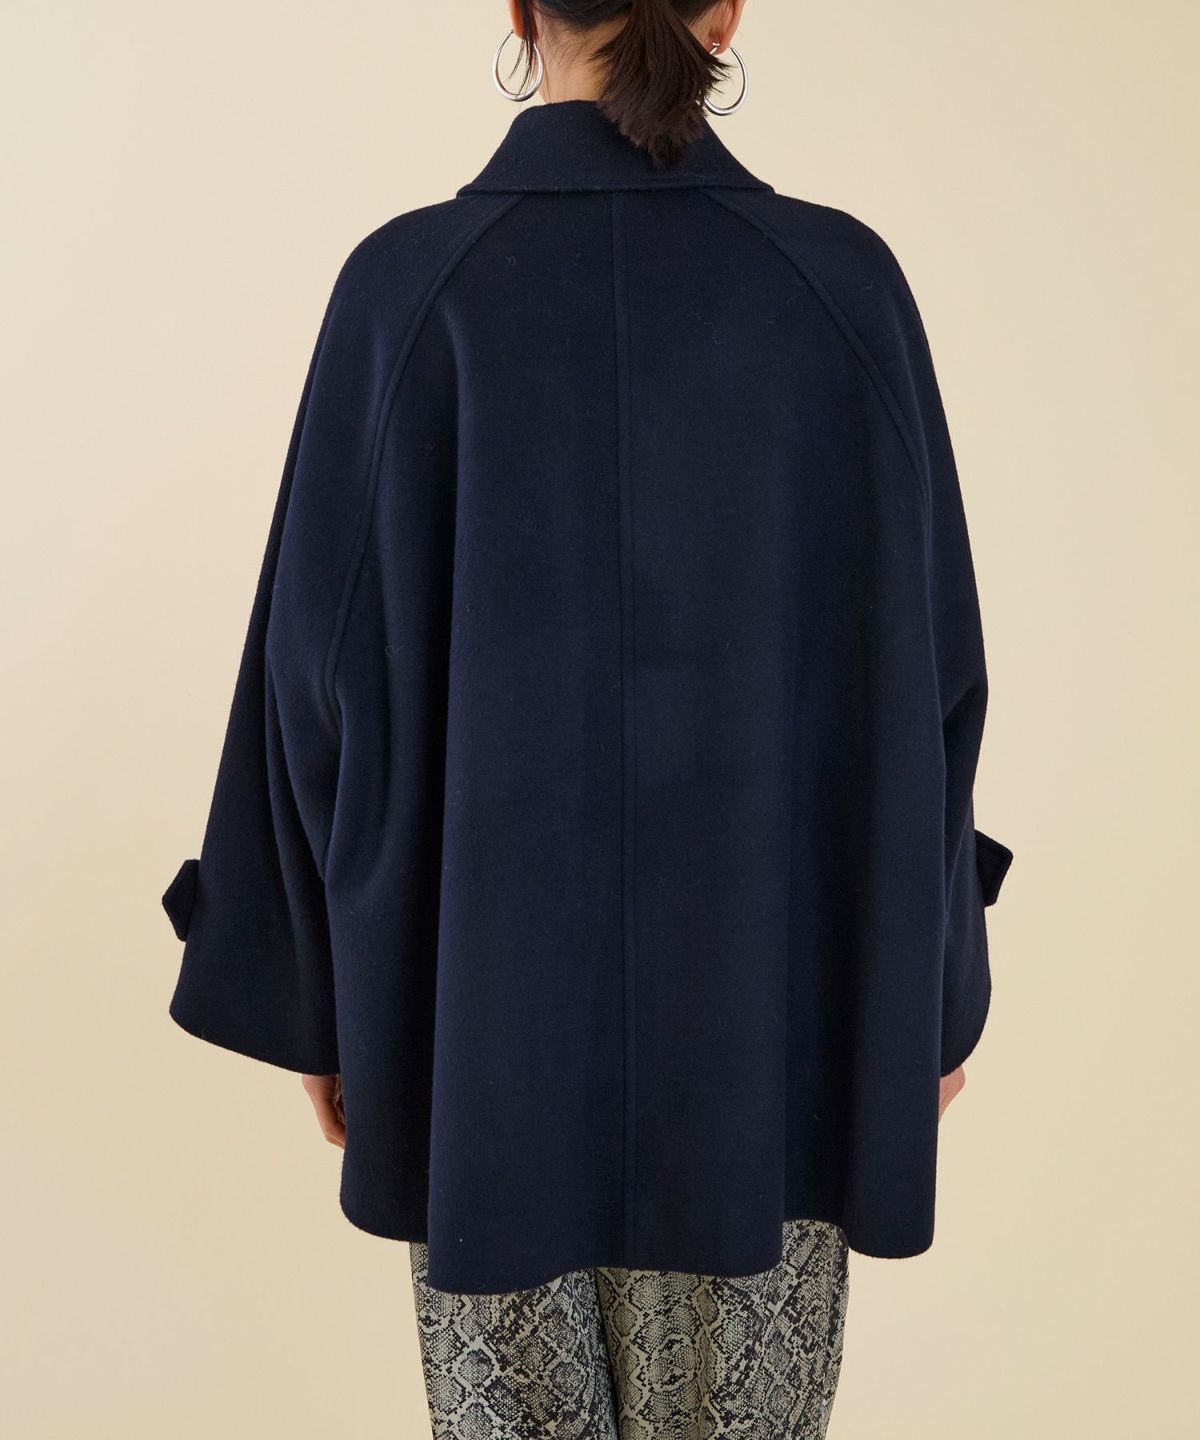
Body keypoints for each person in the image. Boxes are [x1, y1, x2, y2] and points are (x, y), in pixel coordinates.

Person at [160, 1, 1014, 1434]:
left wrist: (320, 991)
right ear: (725, 8)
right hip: (776, 1043)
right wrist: (922, 990)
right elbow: (929, 678)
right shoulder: (840, 290)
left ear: (516, 6)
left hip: (482, 1045)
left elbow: (311, 677)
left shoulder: (409, 292)